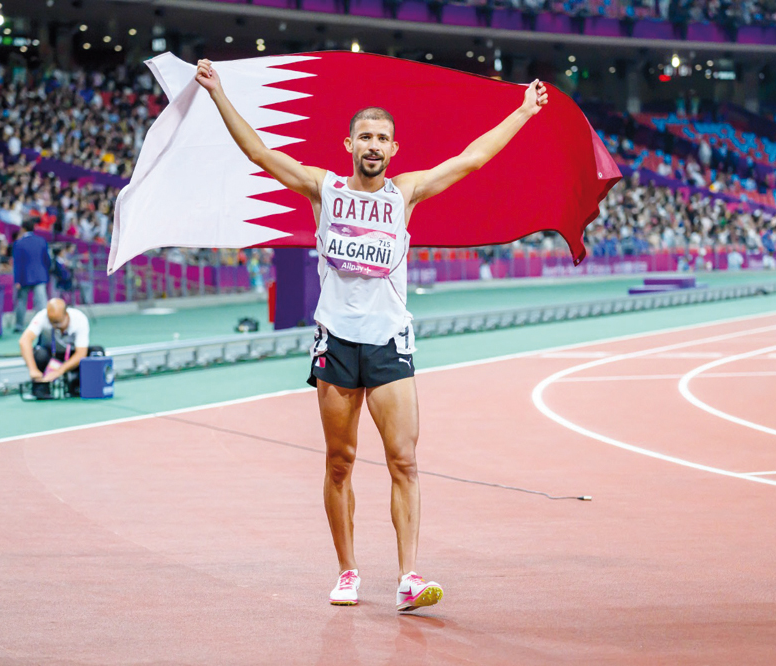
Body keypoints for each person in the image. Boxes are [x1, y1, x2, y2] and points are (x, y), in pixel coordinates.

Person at [194, 58, 548, 611]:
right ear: (349, 144)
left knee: (404, 460)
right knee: (340, 462)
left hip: (388, 342)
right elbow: (261, 154)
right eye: (365, 136)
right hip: (336, 341)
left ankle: (408, 577)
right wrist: (217, 94)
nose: (374, 145)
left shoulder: (403, 194)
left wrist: (524, 110)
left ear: (394, 149)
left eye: (383, 137)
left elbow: (471, 159)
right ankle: (348, 571)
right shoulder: (324, 189)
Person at [18, 298, 91, 394]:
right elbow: (24, 341)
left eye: (58, 322)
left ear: (66, 314)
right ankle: (41, 387)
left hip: (71, 355)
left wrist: (60, 371)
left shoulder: (79, 319)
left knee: (95, 352)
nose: (55, 326)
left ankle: (78, 385)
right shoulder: (42, 316)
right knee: (39, 354)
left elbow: (81, 353)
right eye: (52, 322)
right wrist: (33, 369)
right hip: (52, 355)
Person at [12, 219, 51, 332]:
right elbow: (47, 260)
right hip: (40, 276)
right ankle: (45, 325)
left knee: (22, 302)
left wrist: (17, 280)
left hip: (24, 277)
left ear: (23, 229)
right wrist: (45, 272)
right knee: (42, 303)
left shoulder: (19, 243)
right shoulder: (41, 241)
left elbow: (17, 264)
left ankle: (19, 326)